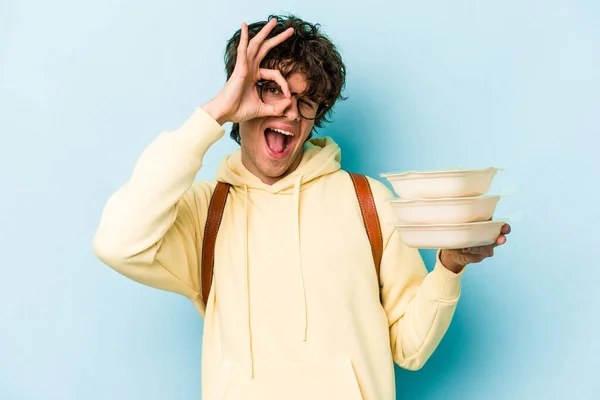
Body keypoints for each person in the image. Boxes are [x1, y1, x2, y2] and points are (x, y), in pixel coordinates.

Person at [92, 14, 511, 400]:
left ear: (316, 116)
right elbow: (117, 243)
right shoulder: (207, 213)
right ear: (241, 96)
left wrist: (449, 268)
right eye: (270, 89)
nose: (287, 110)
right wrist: (214, 114)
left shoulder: (370, 203)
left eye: (305, 99)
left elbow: (410, 349)